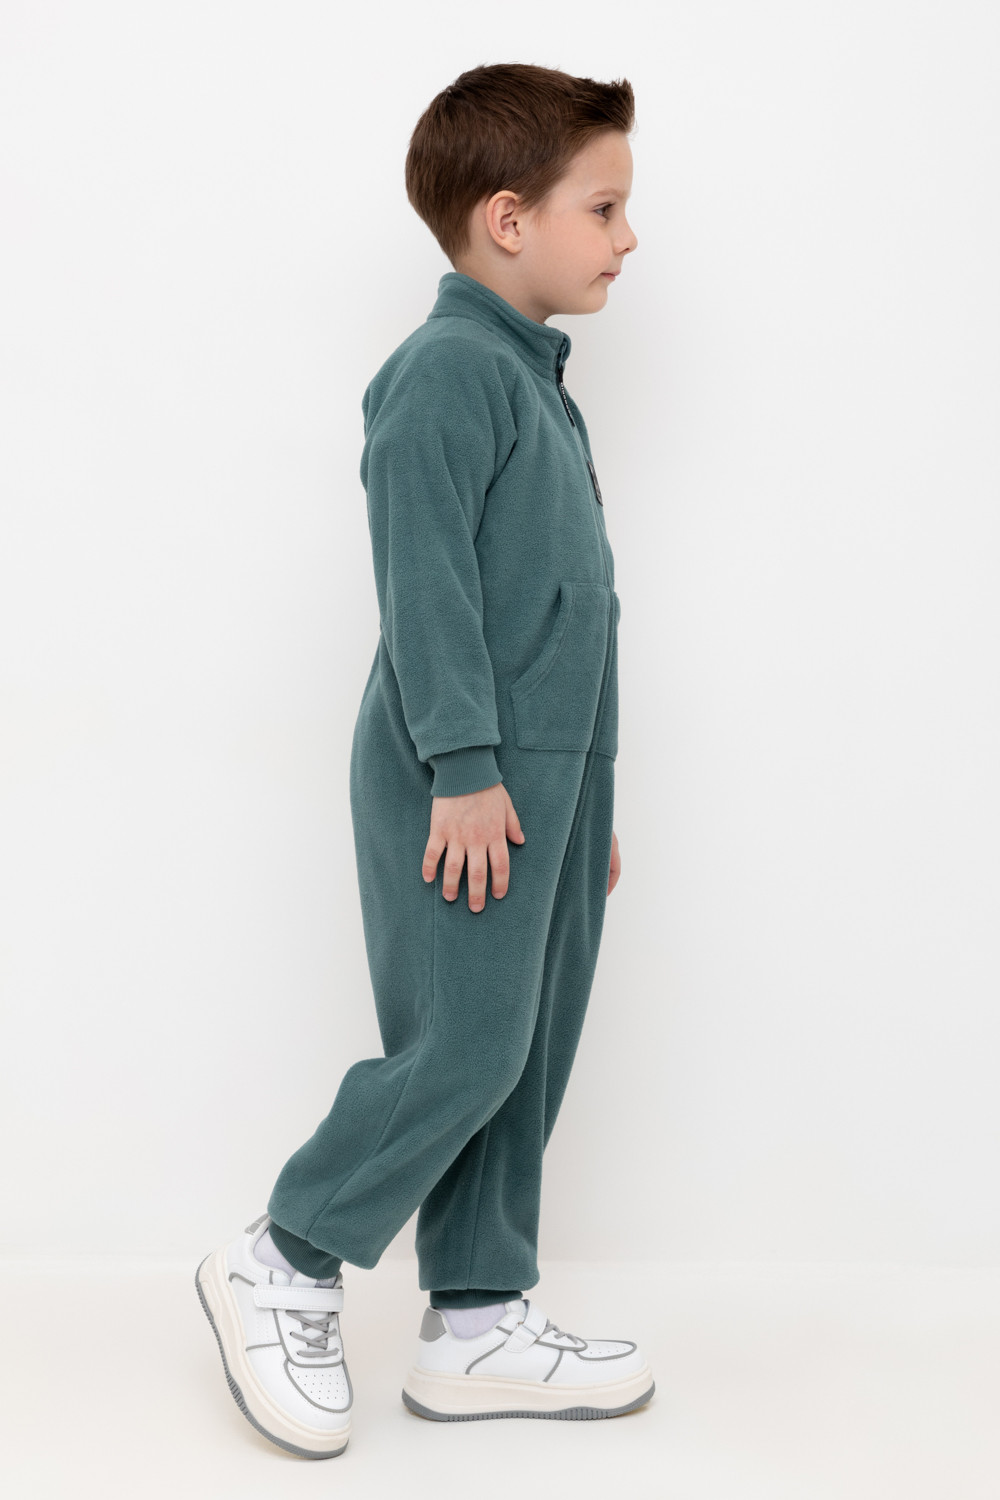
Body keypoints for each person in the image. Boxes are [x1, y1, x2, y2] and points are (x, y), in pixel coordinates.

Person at [195, 61, 653, 1459]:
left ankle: (476, 1319)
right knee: (465, 1045)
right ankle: (284, 1252)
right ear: (509, 219)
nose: (629, 237)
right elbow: (428, 585)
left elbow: (561, 611)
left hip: (545, 781)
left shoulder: (532, 379)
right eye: (603, 208)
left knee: (524, 1051)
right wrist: (462, 764)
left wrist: (589, 799)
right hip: (466, 778)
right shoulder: (449, 373)